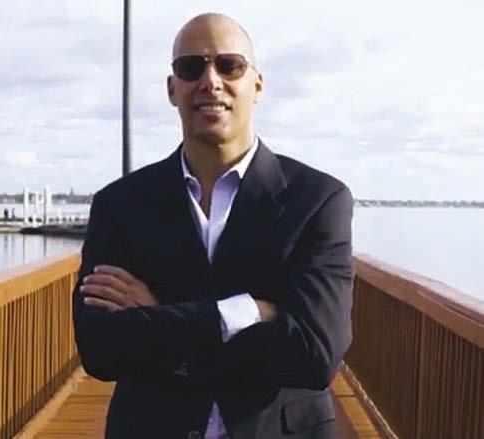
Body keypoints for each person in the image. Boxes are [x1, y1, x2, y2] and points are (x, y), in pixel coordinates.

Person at [73, 12, 353, 439]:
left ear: (257, 85)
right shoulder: (120, 204)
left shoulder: (317, 200)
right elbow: (100, 349)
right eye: (191, 67)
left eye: (229, 65)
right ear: (172, 88)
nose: (210, 80)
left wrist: (158, 315)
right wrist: (248, 311)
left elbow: (315, 354)